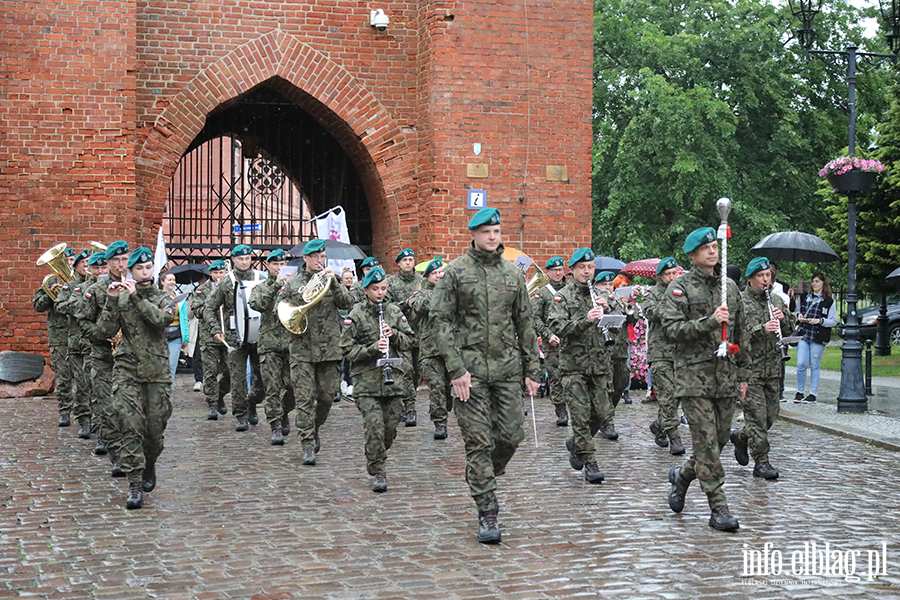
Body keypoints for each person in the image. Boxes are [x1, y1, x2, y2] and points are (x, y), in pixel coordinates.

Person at [431, 207, 541, 544]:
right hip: (470, 373)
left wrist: (532, 369)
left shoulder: (512, 274)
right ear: (474, 235)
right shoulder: (455, 273)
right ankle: (488, 510)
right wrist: (455, 369)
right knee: (478, 441)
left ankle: (482, 474)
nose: (493, 237)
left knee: (511, 437)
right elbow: (441, 322)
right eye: (486, 232)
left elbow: (525, 324)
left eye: (496, 231)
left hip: (507, 370)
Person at [661, 226, 750, 532]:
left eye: (715, 246)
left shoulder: (728, 288)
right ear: (693, 255)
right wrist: (709, 321)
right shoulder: (679, 289)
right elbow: (671, 330)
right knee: (707, 444)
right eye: (706, 248)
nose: (712, 251)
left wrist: (744, 374)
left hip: (725, 377)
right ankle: (719, 506)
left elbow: (741, 334)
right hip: (693, 378)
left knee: (720, 440)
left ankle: (683, 476)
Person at [95, 247, 177, 509]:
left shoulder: (163, 296)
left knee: (154, 431)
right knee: (131, 427)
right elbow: (104, 331)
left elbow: (161, 320)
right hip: (127, 371)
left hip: (156, 372)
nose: (144, 271)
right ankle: (134, 484)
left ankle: (149, 463)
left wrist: (136, 298)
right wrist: (110, 300)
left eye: (148, 267)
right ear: (129, 271)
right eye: (139, 268)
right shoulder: (119, 298)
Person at [277, 238, 355, 465]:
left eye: (323, 257)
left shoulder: (332, 280)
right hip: (301, 348)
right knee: (304, 399)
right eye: (316, 257)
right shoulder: (293, 284)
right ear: (306, 259)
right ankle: (307, 445)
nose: (320, 261)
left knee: (327, 397)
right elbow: (280, 311)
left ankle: (315, 427)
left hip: (329, 349)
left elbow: (348, 302)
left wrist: (335, 283)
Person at [341, 266, 415, 492]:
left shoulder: (393, 312)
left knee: (390, 428)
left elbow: (411, 340)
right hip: (366, 382)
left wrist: (395, 335)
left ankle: (375, 455)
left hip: (393, 381)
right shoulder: (356, 314)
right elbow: (346, 349)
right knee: (374, 426)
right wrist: (373, 348)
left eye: (383, 288)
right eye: (375, 289)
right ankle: (379, 469)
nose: (380, 293)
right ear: (365, 290)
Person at [547, 248, 612, 484]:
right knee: (581, 416)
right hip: (573, 365)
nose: (588, 272)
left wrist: (609, 310)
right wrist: (587, 319)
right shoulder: (562, 297)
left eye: (591, 267)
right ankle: (590, 461)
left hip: (599, 364)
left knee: (602, 413)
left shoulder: (601, 294)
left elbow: (619, 324)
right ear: (572, 270)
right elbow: (558, 326)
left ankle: (577, 445)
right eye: (583, 268)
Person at [731, 257, 795, 480]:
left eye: (768, 275)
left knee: (770, 416)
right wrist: (761, 328)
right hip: (751, 370)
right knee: (757, 417)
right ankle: (762, 462)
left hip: (773, 368)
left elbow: (790, 328)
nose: (765, 280)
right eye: (761, 276)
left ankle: (740, 436)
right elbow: (736, 336)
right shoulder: (740, 303)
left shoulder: (776, 299)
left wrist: (783, 317)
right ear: (750, 279)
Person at [78, 241, 130, 475]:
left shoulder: (135, 287)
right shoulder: (97, 291)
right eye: (116, 260)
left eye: (125, 259)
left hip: (130, 358)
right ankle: (117, 455)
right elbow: (83, 321)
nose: (121, 264)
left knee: (128, 409)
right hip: (102, 356)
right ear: (107, 263)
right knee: (107, 407)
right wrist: (102, 335)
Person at [203, 245, 266, 430]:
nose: (244, 262)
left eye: (247, 259)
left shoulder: (260, 279)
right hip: (234, 336)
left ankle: (253, 403)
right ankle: (241, 415)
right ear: (233, 260)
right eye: (240, 259)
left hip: (258, 334)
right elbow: (209, 306)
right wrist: (215, 328)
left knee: (263, 377)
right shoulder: (226, 281)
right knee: (237, 378)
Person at [249, 249, 297, 445]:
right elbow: (256, 304)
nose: (279, 268)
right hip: (269, 345)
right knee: (272, 388)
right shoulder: (261, 287)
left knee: (294, 385)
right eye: (275, 264)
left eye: (282, 264)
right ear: (268, 266)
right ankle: (275, 426)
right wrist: (275, 287)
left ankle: (284, 411)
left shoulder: (293, 285)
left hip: (290, 343)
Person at [408, 258, 452, 439]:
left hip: (450, 348)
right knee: (436, 386)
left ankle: (446, 405)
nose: (438, 276)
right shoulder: (422, 292)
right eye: (434, 273)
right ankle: (440, 423)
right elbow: (419, 306)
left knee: (448, 387)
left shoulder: (451, 292)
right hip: (430, 349)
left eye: (440, 272)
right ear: (427, 276)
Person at [645, 257, 685, 455]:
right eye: (668, 274)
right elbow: (649, 312)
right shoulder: (653, 293)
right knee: (667, 397)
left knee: (678, 395)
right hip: (660, 352)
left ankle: (659, 424)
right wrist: (668, 302)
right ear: (660, 275)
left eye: (674, 273)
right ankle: (674, 438)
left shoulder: (682, 292)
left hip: (680, 352)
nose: (672, 277)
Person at [55, 248, 93, 439]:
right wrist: (77, 302)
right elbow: (59, 306)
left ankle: (99, 420)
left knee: (97, 383)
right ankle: (84, 420)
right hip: (77, 343)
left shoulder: (99, 285)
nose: (86, 266)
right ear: (76, 266)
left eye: (89, 263)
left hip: (96, 342)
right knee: (82, 383)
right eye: (83, 263)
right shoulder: (69, 287)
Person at [33, 254, 75, 428]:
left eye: (72, 260)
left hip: (80, 335)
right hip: (59, 337)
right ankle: (65, 412)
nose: (69, 263)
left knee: (84, 378)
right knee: (64, 378)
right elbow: (38, 306)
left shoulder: (83, 281)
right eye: (66, 260)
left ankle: (85, 414)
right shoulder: (50, 282)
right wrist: (51, 295)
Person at [387, 248, 425, 426]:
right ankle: (410, 409)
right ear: (399, 263)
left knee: (417, 372)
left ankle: (408, 399)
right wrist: (405, 304)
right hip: (401, 334)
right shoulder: (392, 283)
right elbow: (388, 306)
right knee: (406, 371)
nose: (409, 262)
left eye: (411, 259)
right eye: (405, 260)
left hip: (419, 332)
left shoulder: (421, 281)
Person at [530, 256, 569, 426]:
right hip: (551, 342)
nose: (558, 273)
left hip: (570, 340)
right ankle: (561, 411)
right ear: (548, 272)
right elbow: (535, 318)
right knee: (556, 376)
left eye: (560, 269)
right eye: (554, 270)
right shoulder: (543, 293)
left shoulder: (571, 289)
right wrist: (547, 334)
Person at [193, 260, 231, 419]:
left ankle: (221, 394)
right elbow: (197, 310)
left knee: (229, 371)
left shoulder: (229, 288)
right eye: (215, 273)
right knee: (210, 372)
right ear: (210, 274)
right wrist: (212, 305)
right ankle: (212, 404)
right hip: (209, 337)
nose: (218, 276)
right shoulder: (202, 290)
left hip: (227, 335)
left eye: (221, 273)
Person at [596, 270, 633, 426]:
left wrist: (626, 305)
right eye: (604, 284)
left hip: (620, 350)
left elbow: (633, 319)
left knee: (621, 383)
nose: (608, 287)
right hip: (603, 351)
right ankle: (607, 422)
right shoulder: (595, 301)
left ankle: (608, 414)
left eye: (610, 284)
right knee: (607, 387)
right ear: (597, 285)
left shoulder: (617, 300)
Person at [794, 272, 836, 404]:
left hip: (818, 334)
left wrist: (820, 321)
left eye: (817, 281)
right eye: (813, 281)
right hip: (804, 333)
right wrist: (799, 316)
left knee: (815, 365)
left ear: (823, 283)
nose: (814, 284)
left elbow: (833, 320)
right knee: (801, 363)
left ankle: (813, 393)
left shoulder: (828, 300)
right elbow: (797, 311)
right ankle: (799, 392)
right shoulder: (805, 297)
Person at [159, 271, 185, 385]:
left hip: (176, 333)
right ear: (162, 282)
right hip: (161, 333)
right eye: (169, 280)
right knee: (160, 366)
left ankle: (169, 394)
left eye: (173, 280)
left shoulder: (179, 296)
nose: (172, 282)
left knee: (171, 365)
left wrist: (186, 337)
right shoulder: (157, 297)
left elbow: (185, 317)